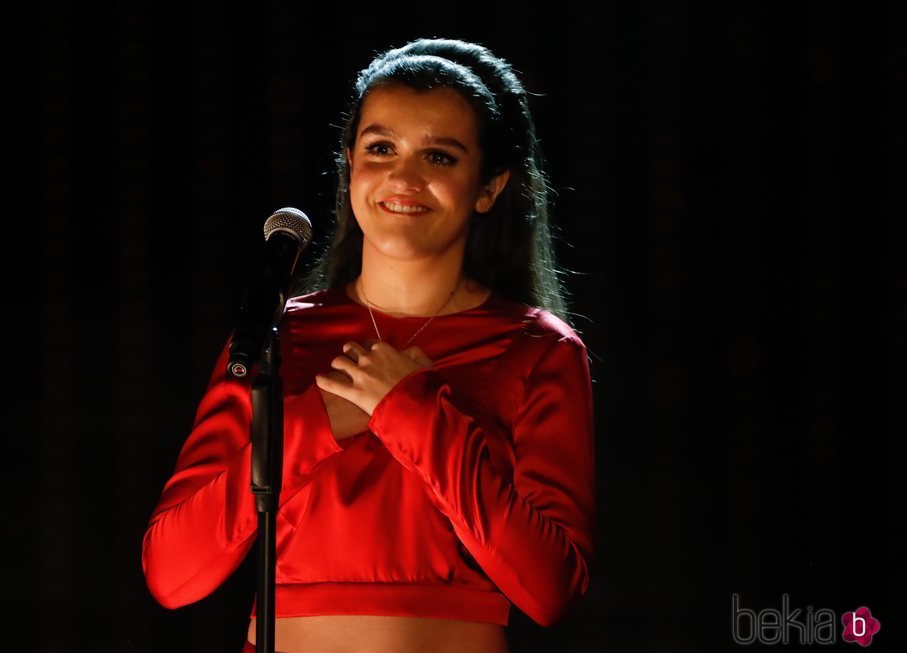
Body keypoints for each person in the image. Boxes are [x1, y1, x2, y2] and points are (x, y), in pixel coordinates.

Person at [142, 38, 596, 653]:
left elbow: (552, 589)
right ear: (350, 166)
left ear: (488, 188)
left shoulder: (538, 350)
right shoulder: (280, 336)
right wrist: (320, 422)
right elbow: (172, 574)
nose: (402, 177)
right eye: (381, 149)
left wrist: (411, 410)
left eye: (439, 156)